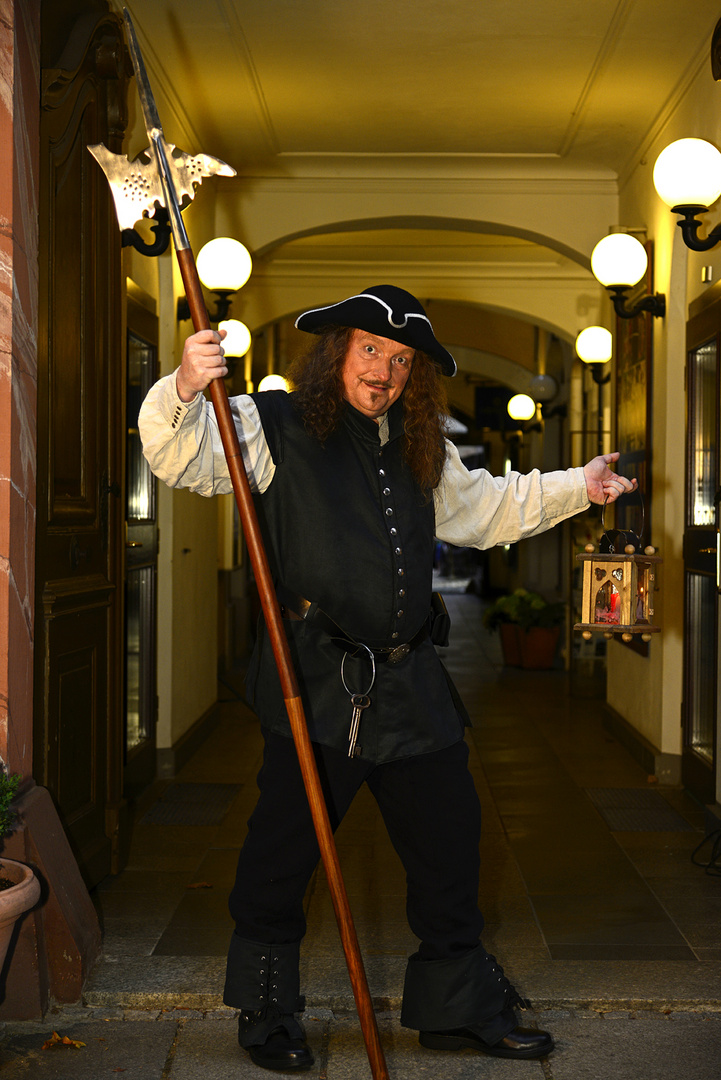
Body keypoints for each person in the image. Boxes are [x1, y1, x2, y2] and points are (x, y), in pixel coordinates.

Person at [139, 284, 636, 1072]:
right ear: (337, 351)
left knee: (450, 845)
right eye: (370, 349)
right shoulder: (272, 425)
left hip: (410, 683)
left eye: (401, 359)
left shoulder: (419, 442)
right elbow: (183, 456)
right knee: (285, 848)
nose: (384, 370)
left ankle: (455, 1010)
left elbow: (485, 509)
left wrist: (582, 485)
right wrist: (185, 387)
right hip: (317, 678)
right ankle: (267, 1010)